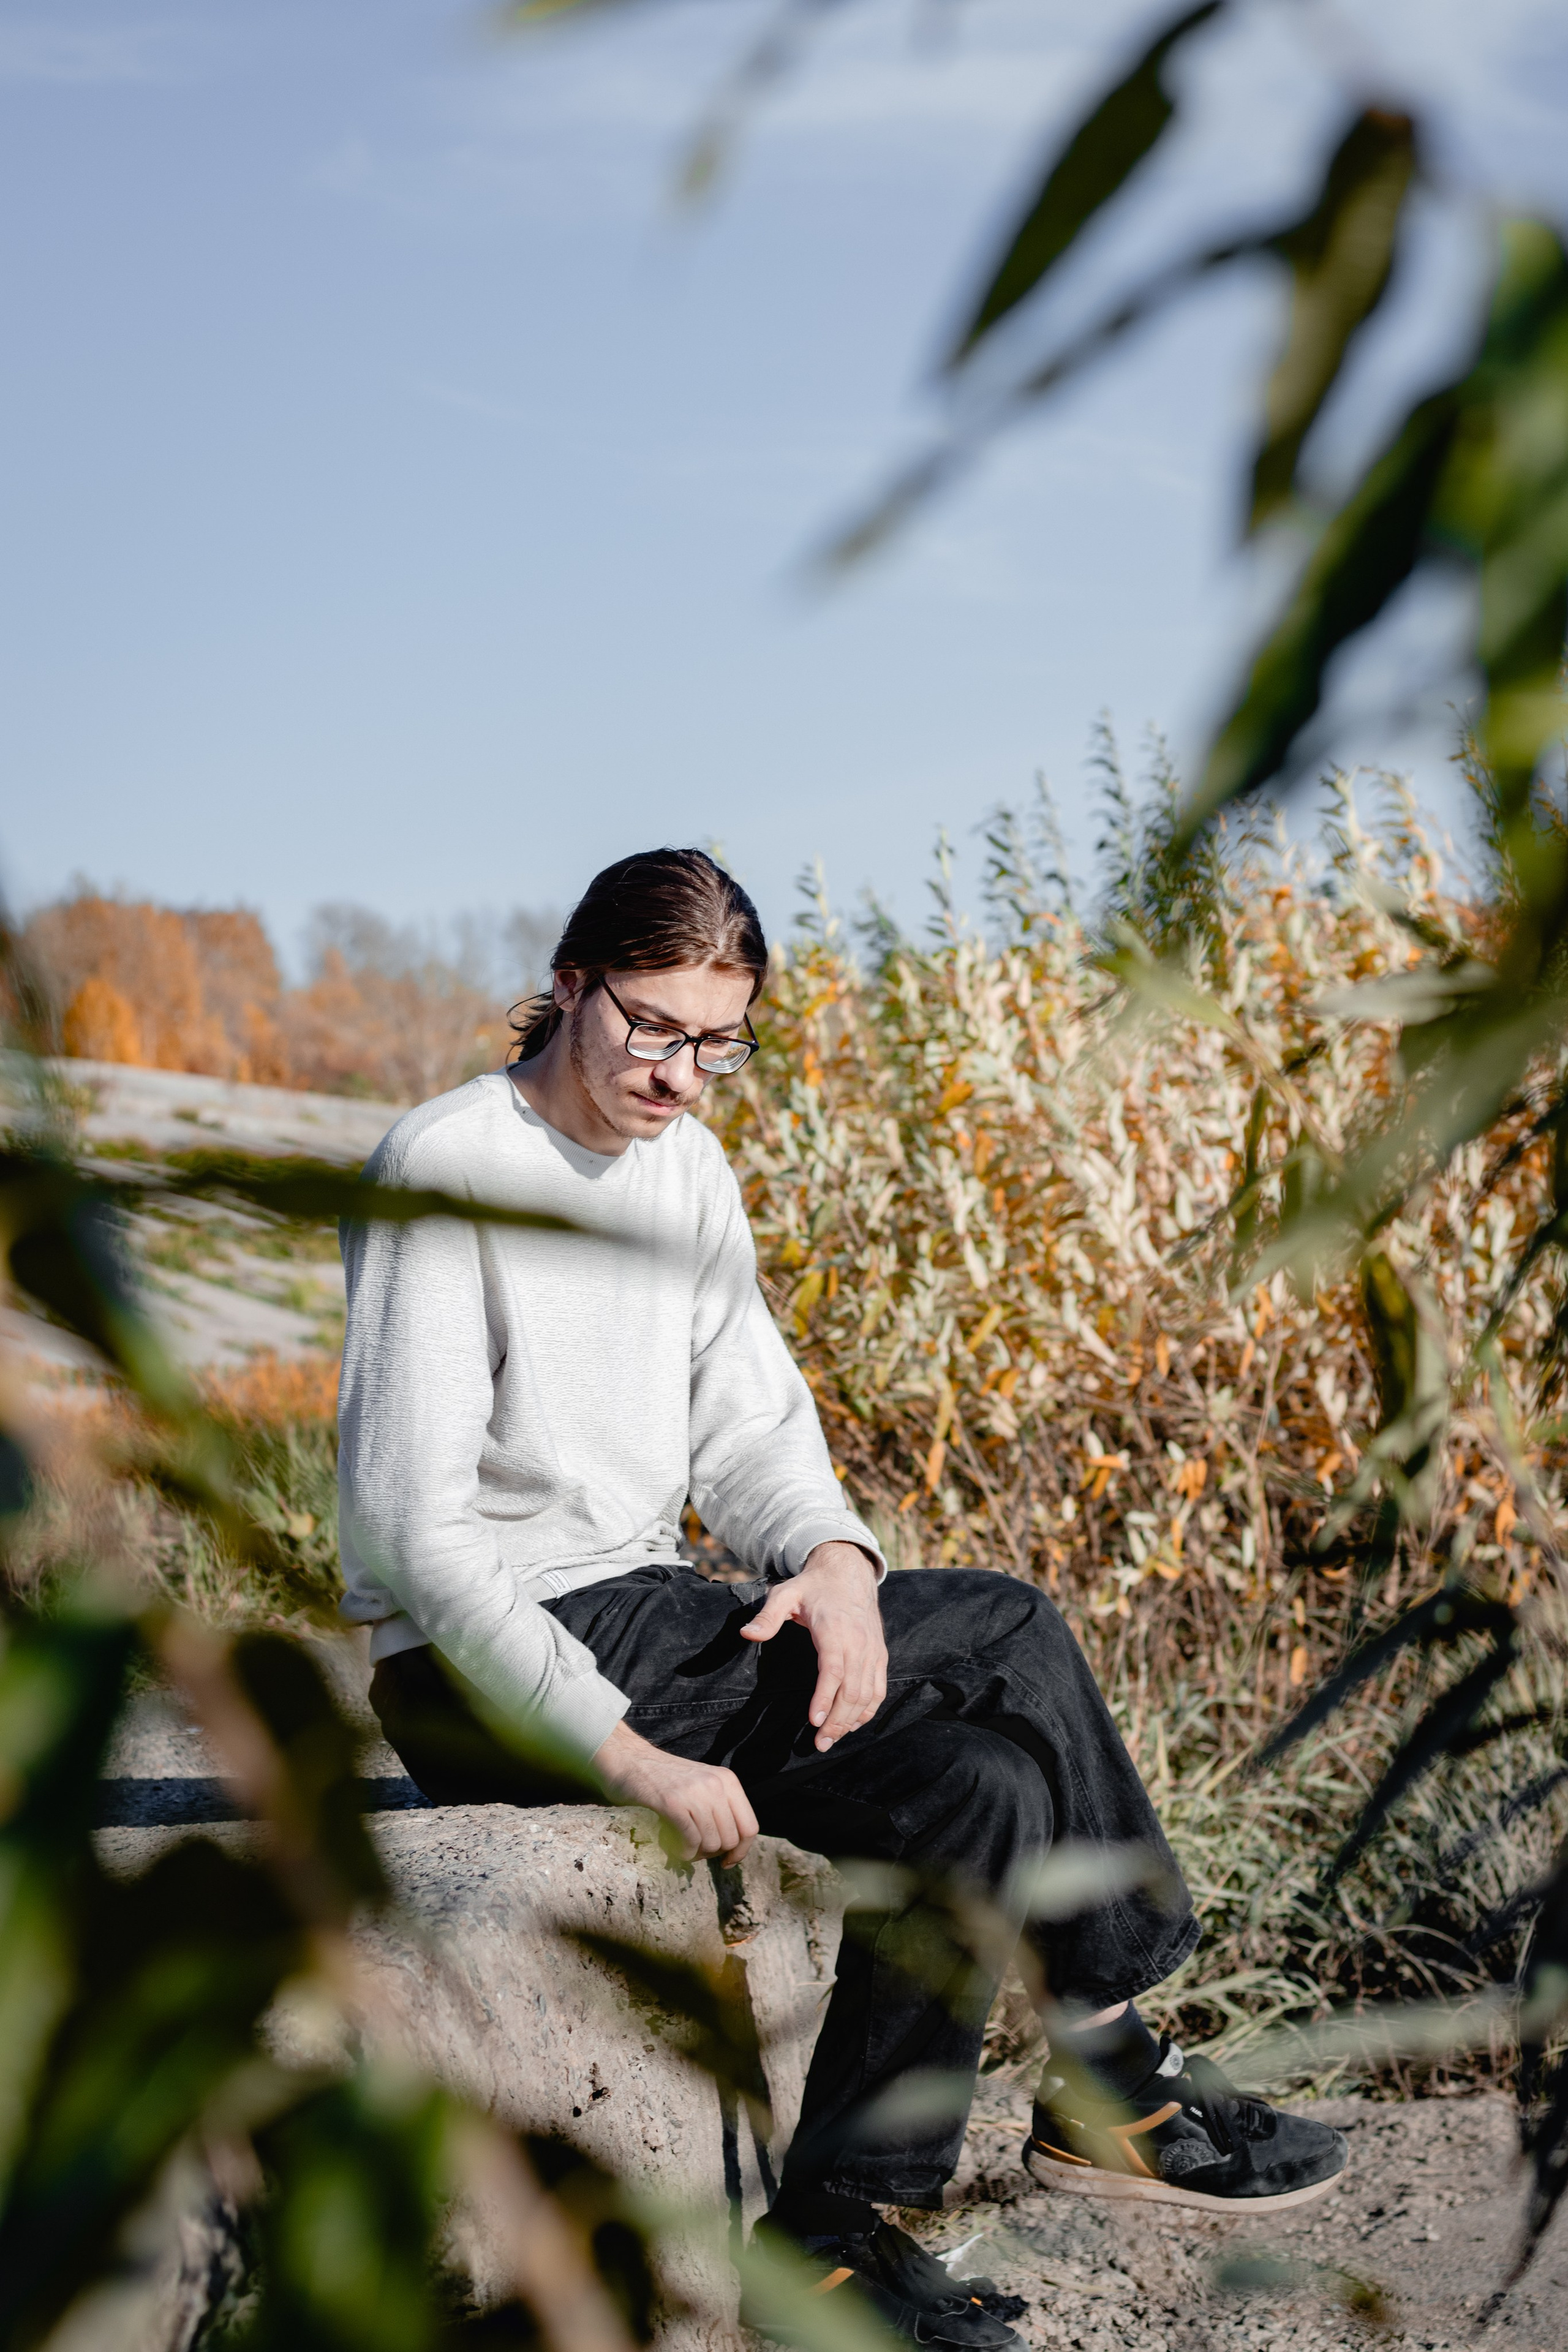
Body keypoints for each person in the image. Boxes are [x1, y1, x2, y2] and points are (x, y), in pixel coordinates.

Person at [337, 848, 1346, 2351]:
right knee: (1004, 1624)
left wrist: (831, 1560)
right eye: (653, 1028)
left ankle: (827, 2240)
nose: (683, 1074)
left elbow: (749, 1420)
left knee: (979, 1786)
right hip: (494, 1663)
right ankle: (1107, 2069)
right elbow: (414, 1530)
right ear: (567, 987)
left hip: (646, 1614)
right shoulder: (446, 1165)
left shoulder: (681, 1166)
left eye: (720, 1042)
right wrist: (627, 1758)